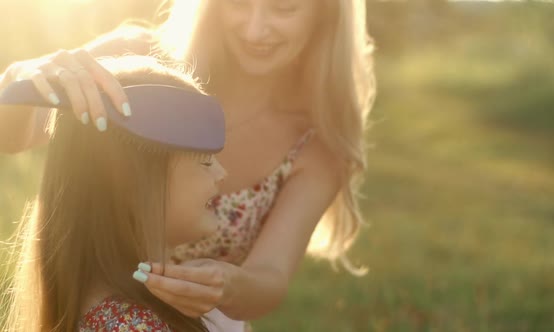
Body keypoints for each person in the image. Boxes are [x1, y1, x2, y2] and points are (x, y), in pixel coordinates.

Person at [0, 0, 376, 330]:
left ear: (324, 14)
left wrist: (224, 285)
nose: (255, 27)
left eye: (284, 8)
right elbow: (11, 137)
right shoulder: (140, 63)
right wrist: (21, 82)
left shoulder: (318, 146)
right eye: (238, 2)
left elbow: (270, 278)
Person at [1, 56, 227, 332]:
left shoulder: (102, 307)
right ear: (132, 182)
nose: (221, 173)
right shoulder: (136, 326)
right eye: (205, 160)